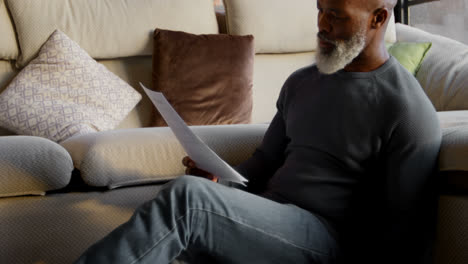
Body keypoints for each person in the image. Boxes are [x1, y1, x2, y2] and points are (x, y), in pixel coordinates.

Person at [74, 0, 442, 263]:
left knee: (188, 202)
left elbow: (405, 235)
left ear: (378, 18)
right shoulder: (302, 82)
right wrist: (218, 181)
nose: (322, 25)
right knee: (190, 204)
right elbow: (265, 161)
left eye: (336, 16)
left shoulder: (406, 111)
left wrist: (204, 196)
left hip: (327, 238)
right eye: (319, 10)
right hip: (270, 214)